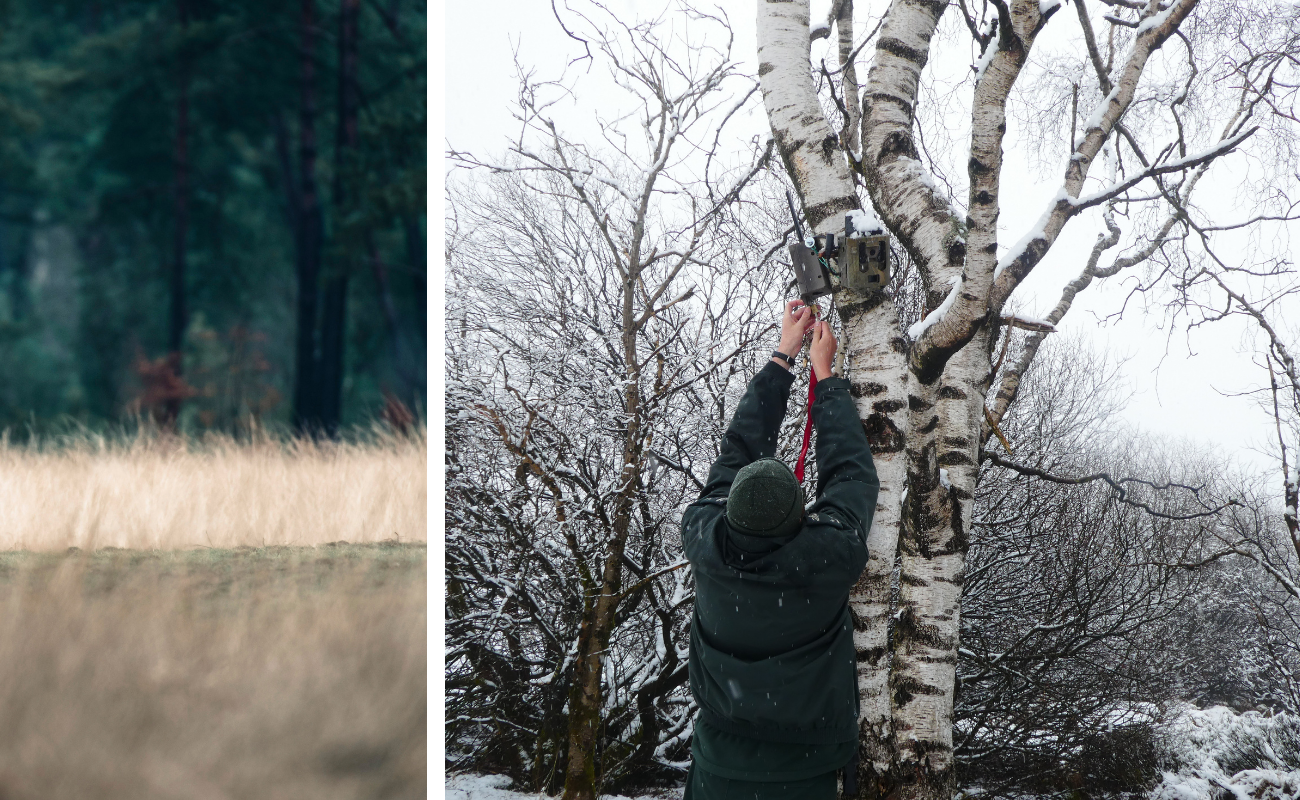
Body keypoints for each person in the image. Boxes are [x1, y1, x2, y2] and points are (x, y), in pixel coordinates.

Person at [680, 299, 880, 800]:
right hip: (806, 773)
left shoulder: (705, 538)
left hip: (718, 767)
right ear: (799, 519)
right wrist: (825, 377)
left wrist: (784, 355)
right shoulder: (825, 557)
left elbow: (739, 452)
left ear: (731, 509)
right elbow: (850, 474)